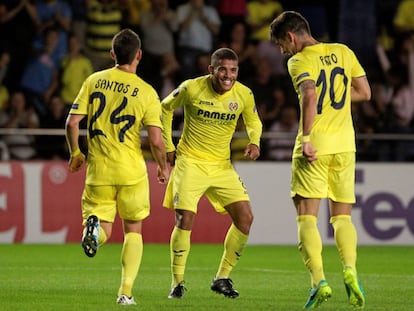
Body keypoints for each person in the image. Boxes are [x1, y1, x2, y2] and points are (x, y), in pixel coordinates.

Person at [269, 11, 371, 309]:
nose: (282, 51)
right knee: (342, 216)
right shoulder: (343, 51)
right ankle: (350, 270)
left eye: (280, 44)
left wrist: (307, 137)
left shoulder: (299, 61)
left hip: (316, 147)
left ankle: (319, 282)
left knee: (306, 216)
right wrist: (337, 94)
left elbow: (310, 96)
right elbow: (365, 93)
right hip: (345, 146)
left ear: (291, 36)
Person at [64, 28, 169, 305]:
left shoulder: (94, 80)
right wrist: (162, 166)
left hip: (99, 172)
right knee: (133, 230)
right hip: (131, 172)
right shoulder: (147, 92)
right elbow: (156, 140)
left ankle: (93, 232)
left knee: (104, 231)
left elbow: (72, 123)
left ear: (112, 54)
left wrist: (76, 152)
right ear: (139, 55)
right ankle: (125, 293)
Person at [161, 47, 262, 299]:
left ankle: (222, 277)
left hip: (221, 166)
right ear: (211, 70)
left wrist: (255, 141)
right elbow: (164, 108)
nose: (228, 75)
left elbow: (253, 120)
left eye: (233, 70)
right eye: (223, 70)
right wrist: (168, 146)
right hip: (190, 162)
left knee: (245, 219)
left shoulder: (243, 94)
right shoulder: (191, 88)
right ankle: (177, 282)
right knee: (185, 219)